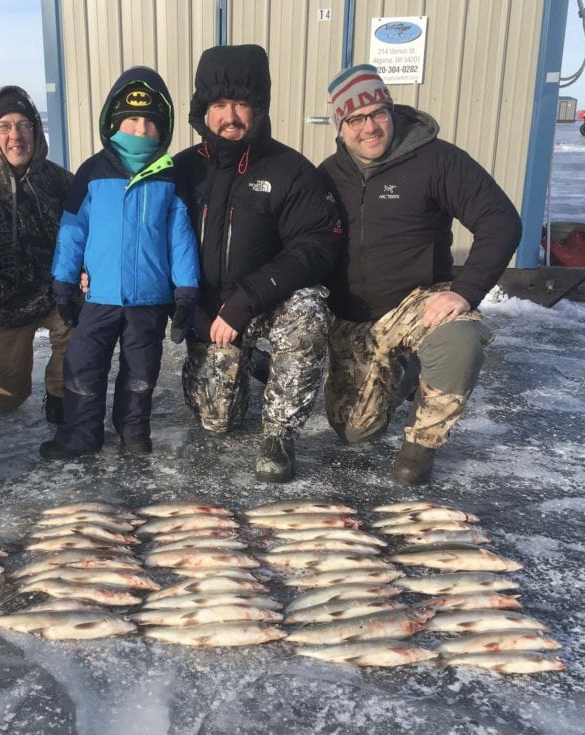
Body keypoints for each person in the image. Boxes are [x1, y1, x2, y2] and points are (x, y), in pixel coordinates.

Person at [319, 64, 522, 485]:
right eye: (356, 119)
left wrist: (465, 292)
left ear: (392, 111)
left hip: (417, 302)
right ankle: (408, 373)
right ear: (341, 125)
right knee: (355, 432)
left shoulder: (438, 160)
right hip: (354, 317)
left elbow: (500, 220)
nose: (369, 127)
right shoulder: (327, 174)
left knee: (459, 338)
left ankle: (421, 447)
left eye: (378, 113)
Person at [173, 44, 342, 483]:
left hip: (267, 302)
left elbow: (318, 243)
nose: (231, 116)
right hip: (209, 312)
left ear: (259, 108)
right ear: (203, 110)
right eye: (219, 104)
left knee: (308, 313)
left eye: (242, 104)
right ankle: (256, 366)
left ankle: (279, 433)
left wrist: (249, 297)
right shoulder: (180, 170)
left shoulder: (291, 169)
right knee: (218, 420)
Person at [39, 66, 199, 459]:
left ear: (163, 129)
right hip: (100, 296)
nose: (140, 130)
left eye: (149, 122)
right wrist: (62, 282)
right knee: (82, 365)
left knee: (141, 371)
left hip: (148, 300)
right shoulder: (91, 172)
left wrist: (186, 289)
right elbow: (73, 230)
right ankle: (80, 434)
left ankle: (133, 430)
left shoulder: (169, 176)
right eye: (131, 120)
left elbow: (180, 237)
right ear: (113, 121)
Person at [0, 86, 74, 422]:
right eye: (5, 126)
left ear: (37, 130)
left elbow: (88, 236)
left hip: (59, 299)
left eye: (24, 125)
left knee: (83, 339)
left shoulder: (62, 182)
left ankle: (60, 395)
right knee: (0, 406)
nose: (16, 136)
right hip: (1, 311)